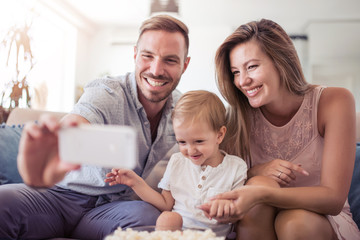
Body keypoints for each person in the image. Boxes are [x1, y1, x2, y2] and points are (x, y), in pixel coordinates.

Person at [0, 15, 190, 240]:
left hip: (113, 211)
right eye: (148, 56)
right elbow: (75, 126)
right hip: (59, 198)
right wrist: (53, 154)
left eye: (170, 60)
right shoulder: (107, 92)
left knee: (150, 219)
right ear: (135, 54)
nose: (156, 70)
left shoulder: (184, 110)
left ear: (185, 64)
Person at [199, 19, 360, 239]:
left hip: (323, 222)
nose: (243, 81)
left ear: (281, 61)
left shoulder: (335, 101)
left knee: (294, 222)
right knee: (257, 183)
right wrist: (256, 173)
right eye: (236, 72)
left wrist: (262, 194)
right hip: (260, 218)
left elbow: (333, 199)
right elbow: (217, 179)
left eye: (252, 66)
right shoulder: (236, 117)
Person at [105, 90, 248, 237]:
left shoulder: (236, 167)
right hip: (177, 235)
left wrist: (228, 207)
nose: (190, 150)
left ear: (219, 135)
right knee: (168, 217)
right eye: (182, 142)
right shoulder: (177, 161)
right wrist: (135, 182)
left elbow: (240, 211)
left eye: (199, 141)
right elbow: (165, 204)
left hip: (212, 236)